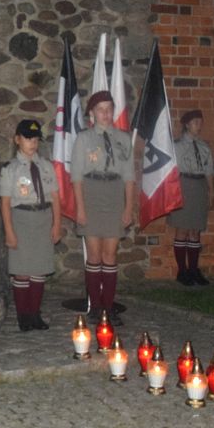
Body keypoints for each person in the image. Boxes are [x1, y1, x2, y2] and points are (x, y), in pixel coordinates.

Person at [71, 91, 134, 324]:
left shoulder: (123, 139)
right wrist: (80, 208)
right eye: (101, 109)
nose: (106, 114)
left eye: (109, 109)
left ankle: (108, 307)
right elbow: (76, 176)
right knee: (95, 255)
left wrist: (128, 207)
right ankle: (95, 306)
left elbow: (128, 176)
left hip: (114, 194)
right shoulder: (84, 139)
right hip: (91, 193)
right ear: (92, 113)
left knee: (110, 255)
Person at [0, 119, 62, 331]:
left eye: (35, 139)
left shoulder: (46, 166)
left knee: (39, 270)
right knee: (22, 271)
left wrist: (56, 225)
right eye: (27, 138)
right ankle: (23, 316)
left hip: (43, 219)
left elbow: (55, 198)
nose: (32, 143)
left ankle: (35, 314)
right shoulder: (11, 169)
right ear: (17, 140)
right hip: (21, 220)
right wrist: (9, 231)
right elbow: (5, 203)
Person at [168, 109, 214, 285]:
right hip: (184, 184)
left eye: (200, 122)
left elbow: (209, 170)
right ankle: (182, 271)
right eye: (195, 122)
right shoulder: (177, 146)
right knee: (182, 229)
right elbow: (172, 172)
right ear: (187, 124)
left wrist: (211, 191)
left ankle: (194, 269)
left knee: (195, 230)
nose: (199, 125)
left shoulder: (204, 147)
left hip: (199, 185)